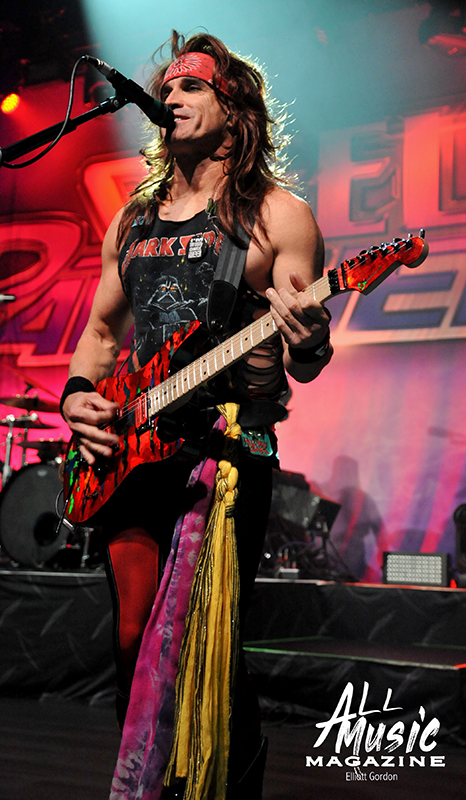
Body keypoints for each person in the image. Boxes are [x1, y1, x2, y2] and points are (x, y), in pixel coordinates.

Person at [61, 31, 333, 800]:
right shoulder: (133, 220)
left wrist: (310, 338)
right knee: (131, 636)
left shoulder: (277, 215)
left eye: (192, 86)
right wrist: (77, 396)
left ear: (234, 108)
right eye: (167, 88)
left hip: (225, 456)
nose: (171, 97)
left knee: (209, 643)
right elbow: (102, 335)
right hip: (132, 451)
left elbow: (306, 362)